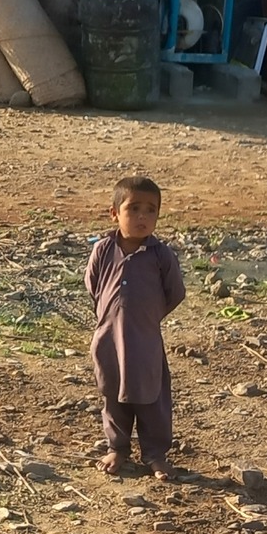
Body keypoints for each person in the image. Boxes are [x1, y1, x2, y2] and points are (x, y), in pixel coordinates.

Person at [85, 175, 186, 481]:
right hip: (108, 340)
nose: (143, 216)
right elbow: (93, 286)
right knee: (113, 394)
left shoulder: (161, 256)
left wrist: (146, 318)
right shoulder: (103, 250)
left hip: (146, 341)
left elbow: (175, 293)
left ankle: (155, 454)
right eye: (134, 209)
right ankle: (117, 448)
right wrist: (113, 317)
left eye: (151, 210)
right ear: (115, 213)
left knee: (151, 397)